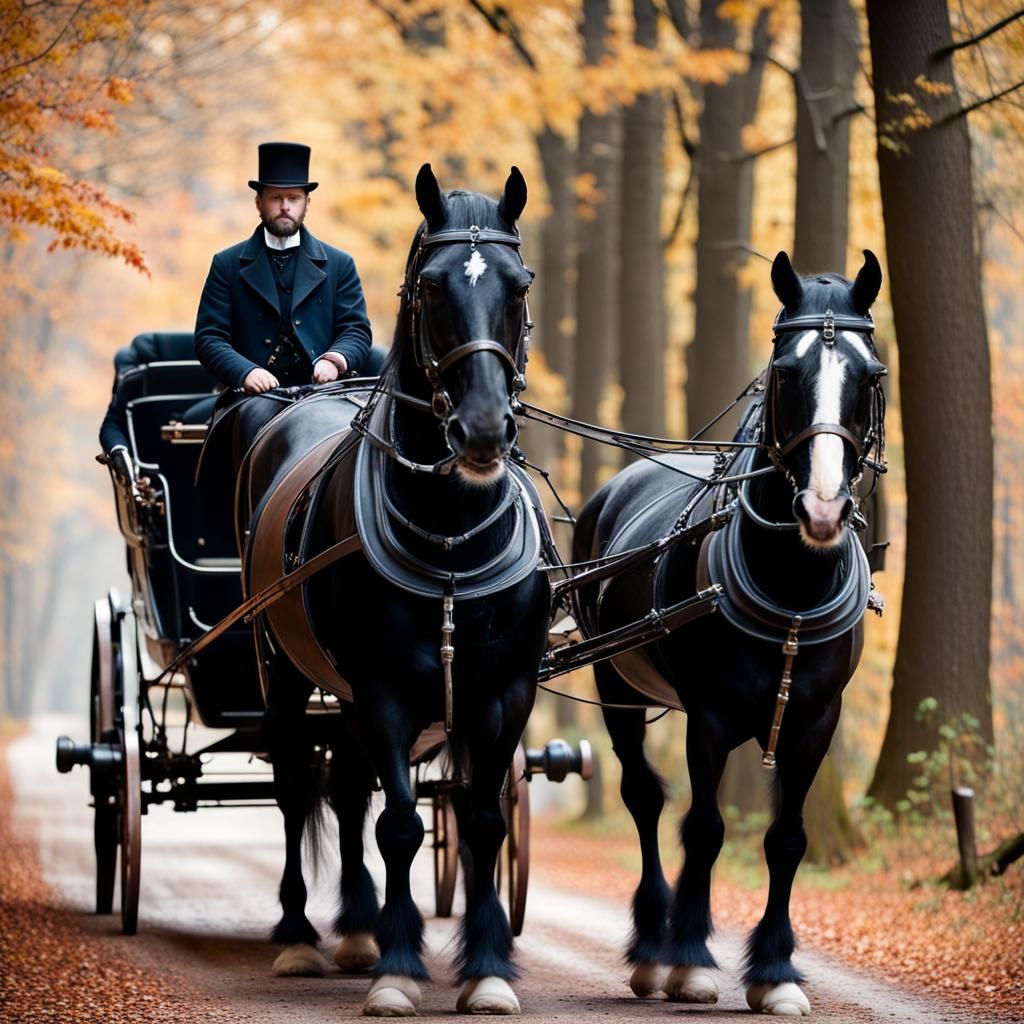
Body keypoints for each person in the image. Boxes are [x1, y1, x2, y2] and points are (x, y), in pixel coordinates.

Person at [193, 141, 373, 393]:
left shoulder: (340, 264)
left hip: (323, 394)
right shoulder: (226, 264)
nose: (285, 206)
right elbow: (209, 338)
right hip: (249, 396)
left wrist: (334, 360)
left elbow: (356, 330)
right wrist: (246, 371)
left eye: (293, 198)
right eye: (276, 198)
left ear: (307, 203)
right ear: (259, 202)